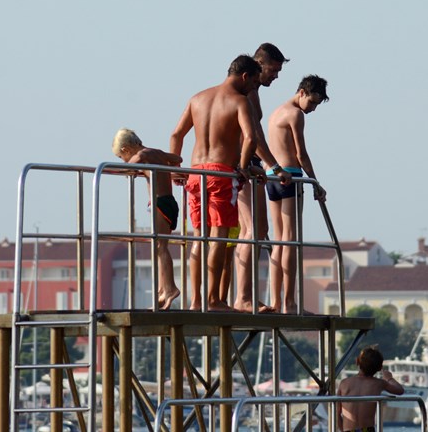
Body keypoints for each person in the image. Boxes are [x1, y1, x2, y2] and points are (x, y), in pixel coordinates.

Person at [169, 55, 262, 312]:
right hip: (221, 173)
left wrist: (175, 169)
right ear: (244, 76)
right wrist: (243, 168)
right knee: (220, 237)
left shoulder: (198, 98)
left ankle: (195, 301)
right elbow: (251, 138)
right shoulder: (240, 101)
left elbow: (177, 134)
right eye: (254, 81)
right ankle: (213, 300)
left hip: (195, 172)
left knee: (199, 238)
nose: (255, 87)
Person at [233, 43, 292, 313]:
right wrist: (274, 166)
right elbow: (252, 135)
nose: (275, 77)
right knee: (252, 231)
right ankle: (243, 298)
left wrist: (268, 164)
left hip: (254, 163)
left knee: (259, 232)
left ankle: (245, 296)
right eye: (274, 70)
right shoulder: (246, 90)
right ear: (260, 64)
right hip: (244, 163)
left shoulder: (252, 90)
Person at [265, 75, 329, 313]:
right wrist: (315, 181)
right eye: (311, 102)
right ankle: (289, 303)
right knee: (290, 239)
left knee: (279, 239)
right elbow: (301, 154)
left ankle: (275, 301)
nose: (311, 109)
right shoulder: (295, 114)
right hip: (289, 175)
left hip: (272, 176)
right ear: (301, 92)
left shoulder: (275, 113)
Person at [111, 128, 183, 310]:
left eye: (121, 156)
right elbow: (177, 159)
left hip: (160, 202)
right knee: (159, 246)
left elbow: (126, 168)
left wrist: (110, 169)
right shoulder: (155, 152)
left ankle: (170, 288)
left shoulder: (142, 155)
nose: (123, 159)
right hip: (169, 201)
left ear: (126, 149)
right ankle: (162, 289)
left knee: (160, 247)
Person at [336, 346, 405, 432]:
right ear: (380, 368)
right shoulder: (378, 383)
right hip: (367, 429)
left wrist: (343, 430)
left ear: (357, 361)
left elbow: (336, 412)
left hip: (348, 430)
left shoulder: (344, 383)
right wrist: (389, 378)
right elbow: (400, 390)